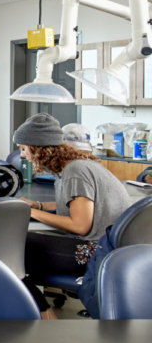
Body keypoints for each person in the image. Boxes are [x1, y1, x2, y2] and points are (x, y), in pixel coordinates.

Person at [16, 113, 135, 318]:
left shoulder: (74, 171)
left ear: (39, 148)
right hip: (108, 249)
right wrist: (41, 205)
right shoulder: (77, 165)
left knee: (13, 247)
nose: (22, 155)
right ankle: (41, 309)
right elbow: (80, 204)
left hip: (91, 251)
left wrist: (31, 212)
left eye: (24, 149)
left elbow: (80, 225)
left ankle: (42, 312)